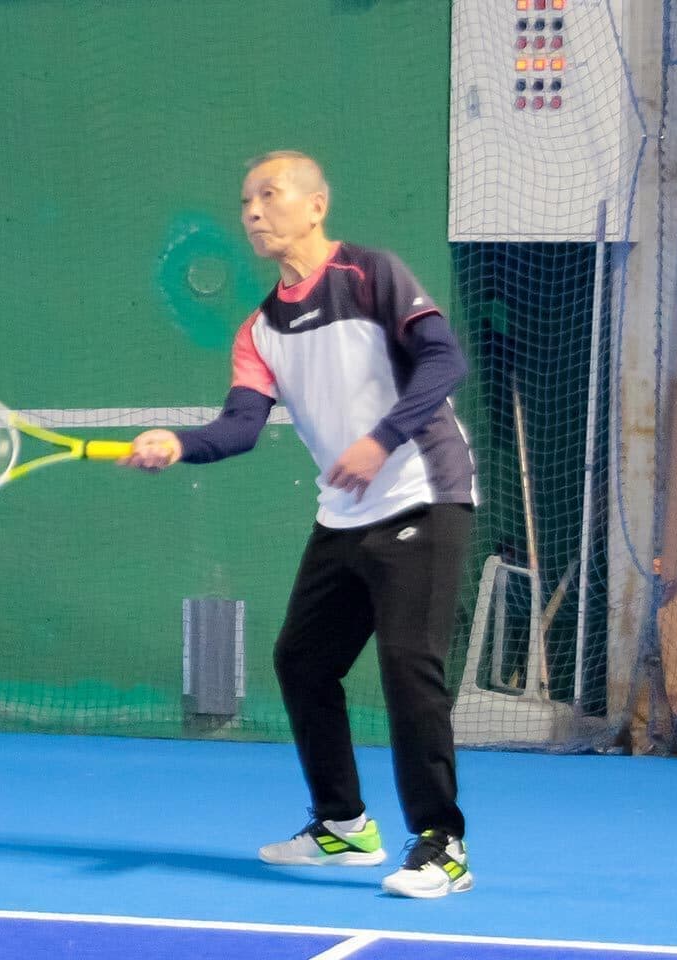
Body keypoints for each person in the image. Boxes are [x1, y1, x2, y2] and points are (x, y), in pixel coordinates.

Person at [122, 151, 477, 898]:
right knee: (303, 661)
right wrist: (178, 444)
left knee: (408, 665)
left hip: (423, 491)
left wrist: (381, 438)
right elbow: (241, 427)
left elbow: (444, 362)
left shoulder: (370, 274)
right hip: (345, 513)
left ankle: (442, 845)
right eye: (245, 200)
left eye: (269, 194)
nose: (253, 211)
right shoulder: (259, 331)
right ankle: (343, 826)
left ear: (317, 205)